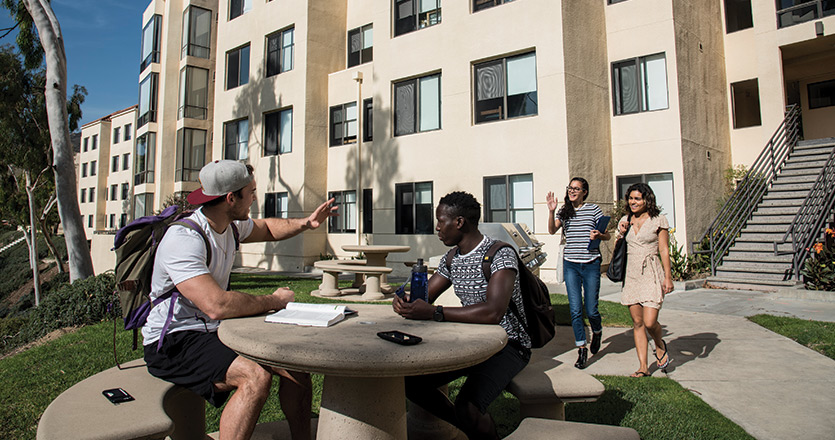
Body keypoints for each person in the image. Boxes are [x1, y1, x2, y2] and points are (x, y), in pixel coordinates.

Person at [142, 160, 337, 440]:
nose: (255, 198)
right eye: (251, 192)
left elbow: (268, 228)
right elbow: (216, 305)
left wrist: (308, 223)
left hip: (213, 331)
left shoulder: (231, 226)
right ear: (231, 198)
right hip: (174, 341)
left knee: (294, 365)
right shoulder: (184, 238)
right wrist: (274, 300)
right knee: (255, 377)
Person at [393, 191, 531, 440]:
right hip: (470, 342)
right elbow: (425, 297)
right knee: (411, 382)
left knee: (469, 406)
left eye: (440, 221)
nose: (436, 228)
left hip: (508, 345)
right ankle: (470, 426)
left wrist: (434, 312)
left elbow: (493, 311)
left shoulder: (500, 255)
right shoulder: (452, 258)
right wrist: (407, 302)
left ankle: (472, 423)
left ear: (459, 222)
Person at [546, 177, 609, 369]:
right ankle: (581, 349)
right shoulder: (564, 211)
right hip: (571, 264)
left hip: (590, 264)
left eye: (576, 188)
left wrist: (599, 235)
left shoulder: (593, 210)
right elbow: (551, 230)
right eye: (570, 188)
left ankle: (597, 331)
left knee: (591, 309)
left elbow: (606, 234)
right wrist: (550, 211)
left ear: (584, 192)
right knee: (575, 310)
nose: (572, 191)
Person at [617, 182, 674, 378]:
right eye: (631, 198)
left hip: (650, 271)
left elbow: (664, 249)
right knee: (637, 322)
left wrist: (668, 276)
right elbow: (618, 247)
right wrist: (621, 232)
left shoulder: (659, 220)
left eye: (637, 199)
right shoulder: (625, 220)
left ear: (646, 200)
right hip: (631, 274)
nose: (633, 202)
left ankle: (659, 345)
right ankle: (643, 366)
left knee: (650, 322)